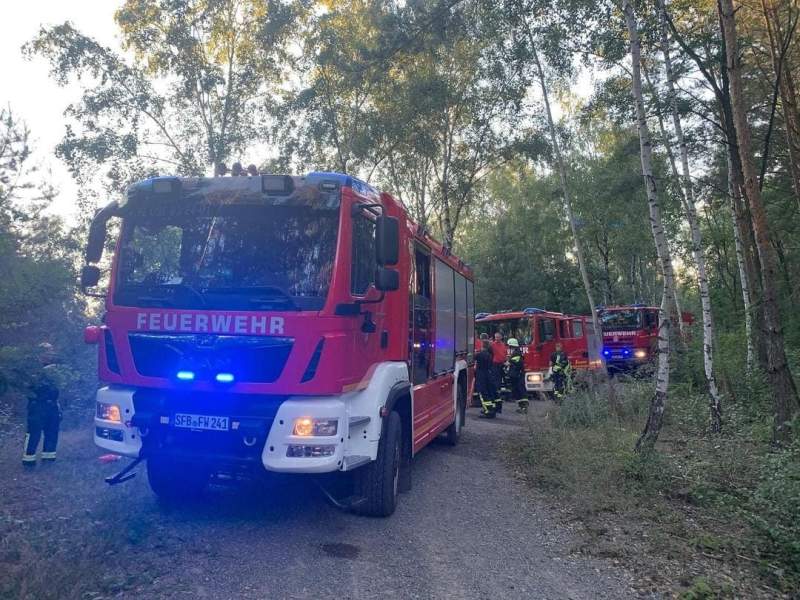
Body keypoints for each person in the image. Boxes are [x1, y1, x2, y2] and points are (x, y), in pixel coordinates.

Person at [22, 343, 62, 466]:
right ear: (39, 354)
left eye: (51, 352)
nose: (49, 354)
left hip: (52, 406)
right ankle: (29, 461)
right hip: (37, 406)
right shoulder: (32, 368)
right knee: (34, 433)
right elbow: (27, 386)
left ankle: (48, 460)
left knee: (52, 432)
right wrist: (43, 373)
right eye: (46, 352)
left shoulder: (56, 368)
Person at [475, 339, 499, 418]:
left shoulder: (480, 354)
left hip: (481, 376)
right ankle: (492, 410)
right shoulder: (489, 354)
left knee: (483, 394)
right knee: (489, 392)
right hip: (488, 375)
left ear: (482, 346)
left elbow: (472, 357)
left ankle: (488, 411)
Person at [507, 338, 528, 414]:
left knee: (520, 390)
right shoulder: (517, 352)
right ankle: (522, 407)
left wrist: (506, 362)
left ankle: (524, 407)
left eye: (510, 346)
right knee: (518, 390)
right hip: (517, 374)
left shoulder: (516, 353)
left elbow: (512, 362)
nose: (509, 347)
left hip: (518, 375)